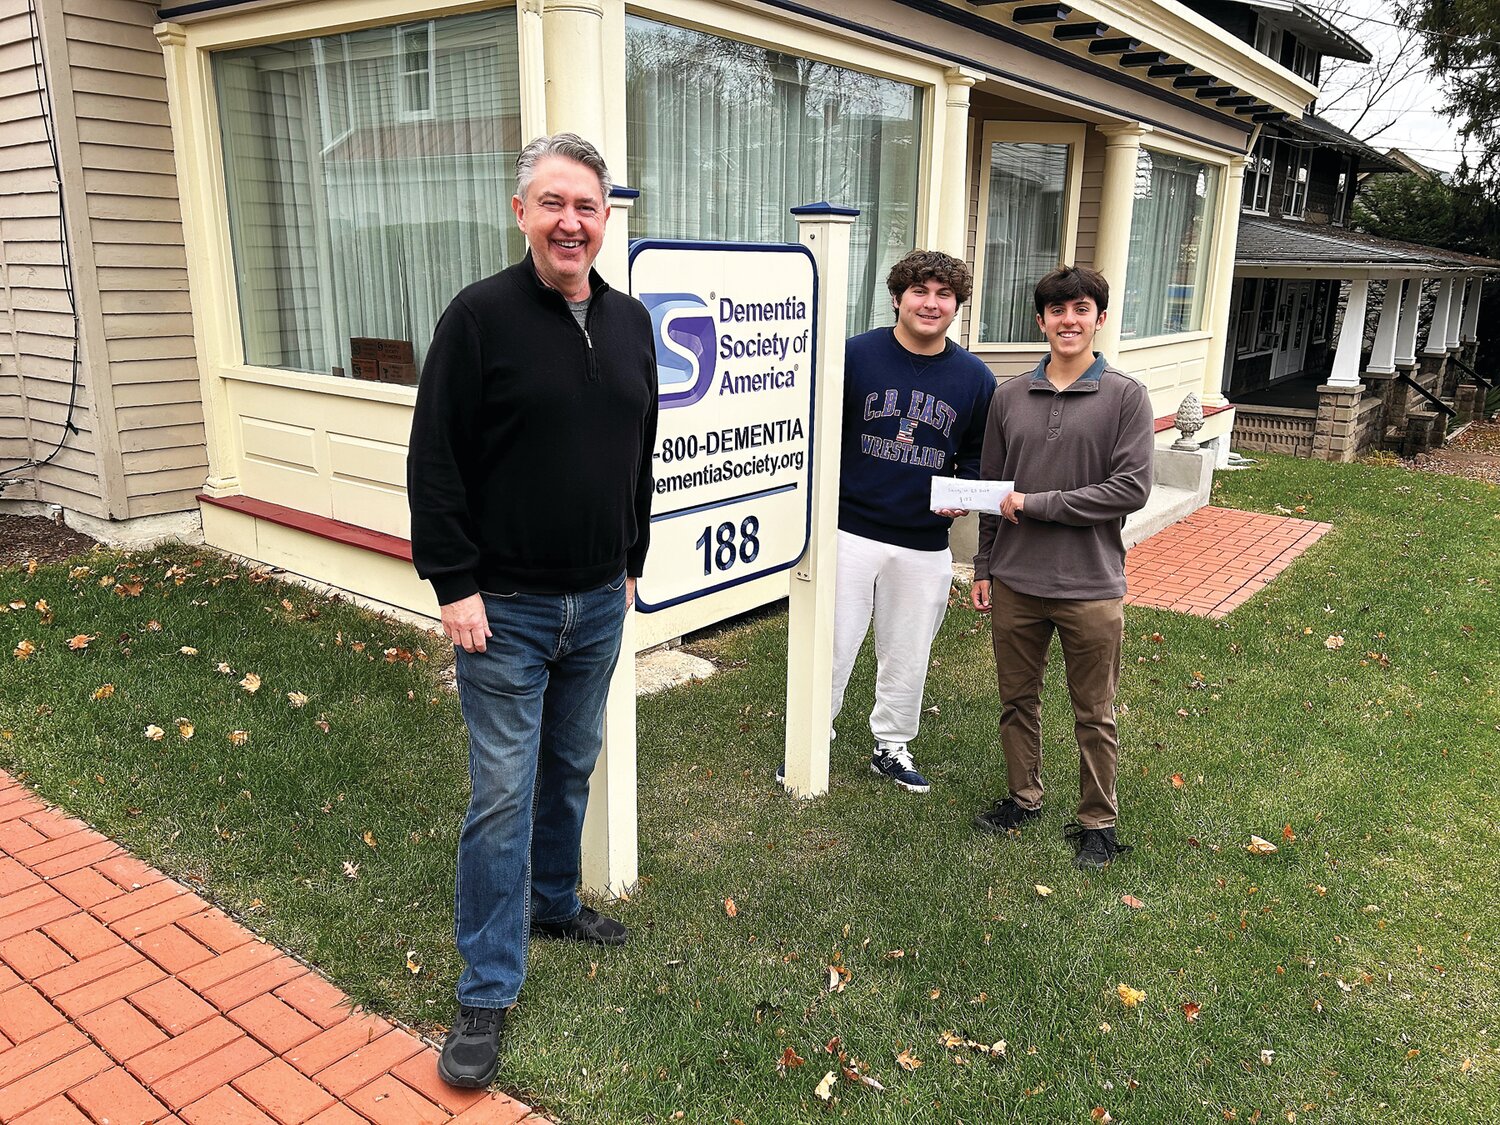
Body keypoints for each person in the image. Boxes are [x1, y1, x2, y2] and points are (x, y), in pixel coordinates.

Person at [406, 133, 657, 1088]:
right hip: (501, 605)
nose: (571, 222)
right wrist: (454, 583)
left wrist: (629, 558)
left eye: (586, 207)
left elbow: (639, 448)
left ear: (604, 219)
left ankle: (554, 901)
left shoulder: (630, 322)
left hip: (598, 600)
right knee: (503, 790)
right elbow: (436, 461)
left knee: (570, 764)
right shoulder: (478, 318)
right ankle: (487, 985)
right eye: (553, 203)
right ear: (522, 214)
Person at [780, 250, 993, 792]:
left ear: (956, 307)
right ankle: (811, 737)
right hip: (847, 529)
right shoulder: (854, 356)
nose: (931, 303)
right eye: (920, 291)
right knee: (830, 641)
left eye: (944, 294)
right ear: (897, 298)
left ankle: (892, 746)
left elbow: (974, 454)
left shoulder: (975, 378)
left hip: (923, 541)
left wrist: (963, 494)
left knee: (908, 649)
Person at [969, 265, 1153, 868]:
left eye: (1081, 310)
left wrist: (1038, 505)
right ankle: (1023, 797)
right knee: (1016, 700)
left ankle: (1097, 820)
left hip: (1091, 586)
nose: (1067, 321)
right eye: (1056, 311)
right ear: (1041, 320)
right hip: (1017, 583)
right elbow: (994, 489)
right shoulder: (1009, 396)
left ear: (1099, 319)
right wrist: (983, 566)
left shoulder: (1126, 397)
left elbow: (1129, 489)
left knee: (1094, 712)